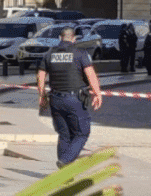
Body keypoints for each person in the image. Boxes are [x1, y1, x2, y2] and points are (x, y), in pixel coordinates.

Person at [37, 27, 102, 168]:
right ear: (74, 38)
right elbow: (90, 74)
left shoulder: (50, 53)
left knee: (64, 135)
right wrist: (97, 93)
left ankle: (64, 174)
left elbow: (41, 75)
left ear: (60, 38)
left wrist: (42, 96)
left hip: (55, 99)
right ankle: (65, 161)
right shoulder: (79, 53)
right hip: (74, 99)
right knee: (82, 133)